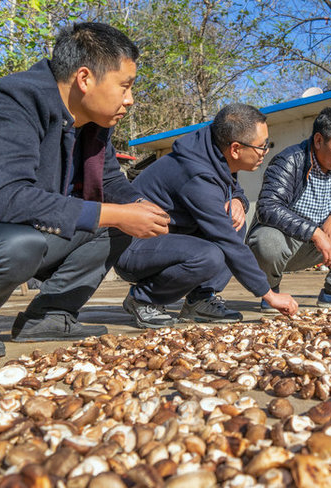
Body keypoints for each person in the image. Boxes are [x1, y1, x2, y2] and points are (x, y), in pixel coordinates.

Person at [0, 23, 170, 360]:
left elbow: (112, 183)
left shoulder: (93, 123)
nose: (129, 100)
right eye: (125, 86)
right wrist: (117, 214)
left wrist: (139, 207)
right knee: (21, 245)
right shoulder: (13, 100)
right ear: (85, 79)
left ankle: (49, 316)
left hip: (6, 226)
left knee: (113, 231)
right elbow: (9, 198)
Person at [115, 103, 298, 326]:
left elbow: (228, 185)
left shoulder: (212, 149)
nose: (265, 152)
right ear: (236, 149)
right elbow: (227, 242)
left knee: (234, 220)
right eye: (262, 146)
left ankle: (199, 300)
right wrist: (268, 294)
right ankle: (142, 299)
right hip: (133, 247)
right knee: (210, 254)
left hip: (170, 236)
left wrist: (239, 200)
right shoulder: (196, 174)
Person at [247, 107, 331, 310]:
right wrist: (315, 233)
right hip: (287, 245)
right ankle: (271, 293)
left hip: (320, 247)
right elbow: (268, 208)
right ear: (318, 141)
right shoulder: (288, 161)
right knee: (266, 240)